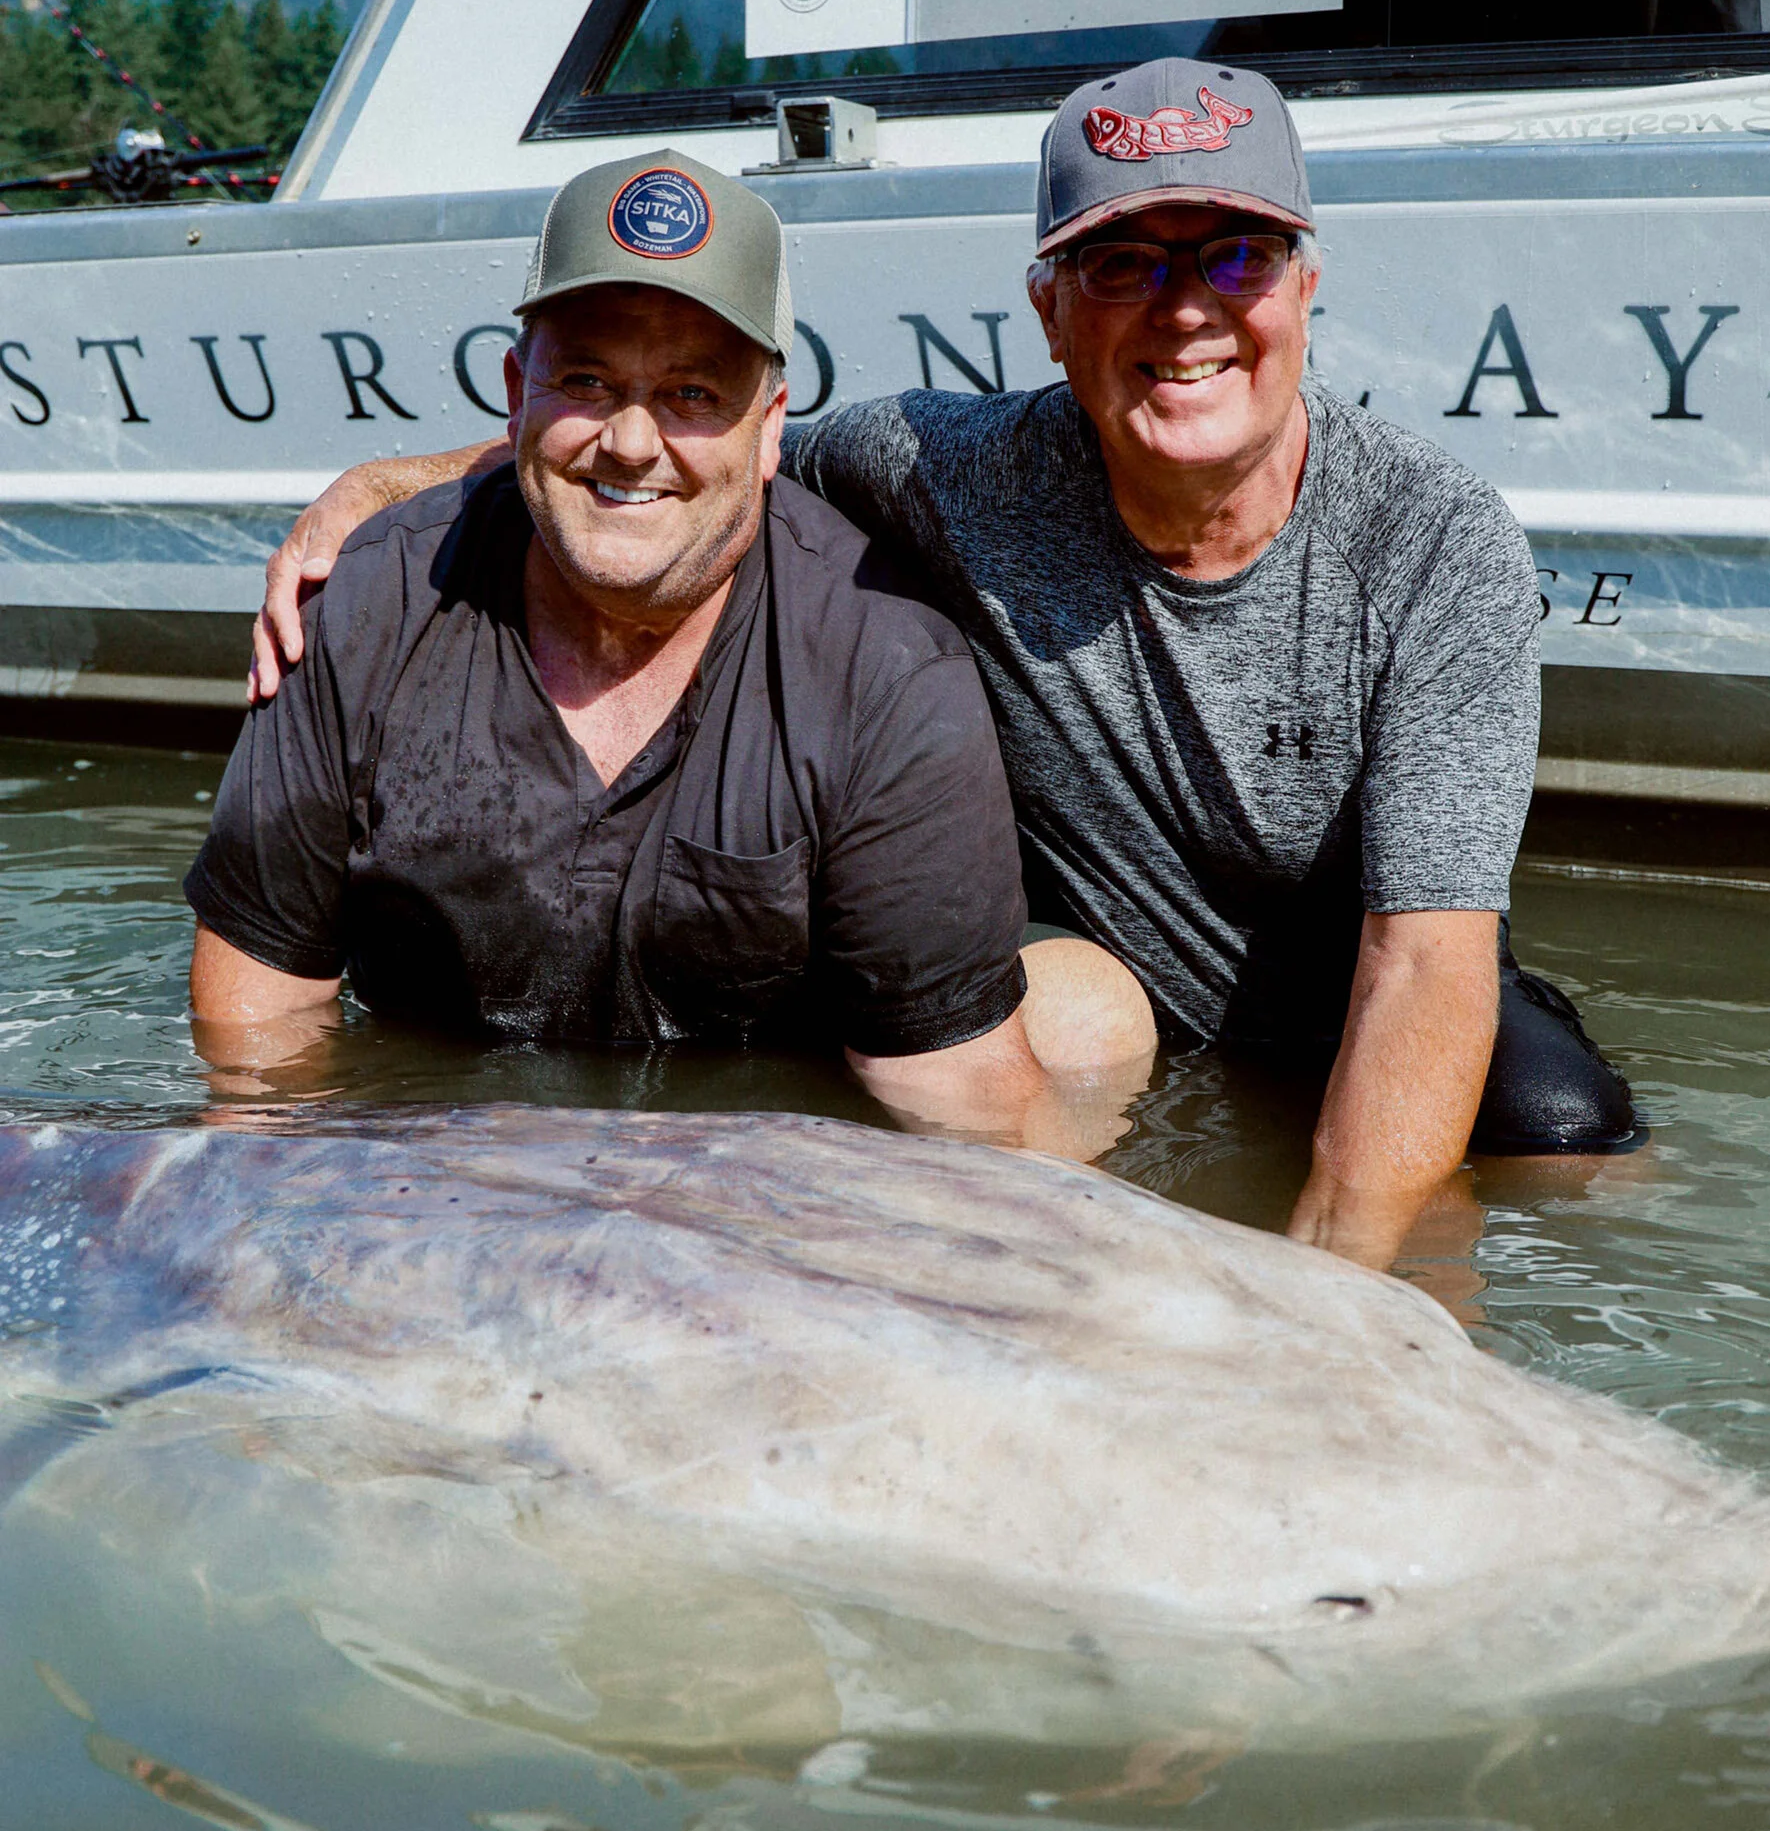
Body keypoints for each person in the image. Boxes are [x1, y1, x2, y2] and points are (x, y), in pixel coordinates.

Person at [252, 61, 1637, 1259]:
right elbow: (689, 443)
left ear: (1305, 287)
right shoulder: (940, 466)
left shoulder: (1439, 542)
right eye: (1122, 264)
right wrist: (413, 484)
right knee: (1019, 1045)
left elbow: (1421, 967)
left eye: (1233, 256)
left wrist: (1328, 1301)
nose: (1185, 311)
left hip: (1370, 977)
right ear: (1047, 311)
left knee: (1558, 1141)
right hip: (1106, 993)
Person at [190, 148, 1144, 1142]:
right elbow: (252, 1028)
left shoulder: (887, 668)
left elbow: (956, 1100)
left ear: (770, 427)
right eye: (588, 381)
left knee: (1078, 1021)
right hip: (437, 1152)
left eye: (693, 394)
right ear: (518, 392)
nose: (632, 444)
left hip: (761, 1149)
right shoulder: (371, 598)